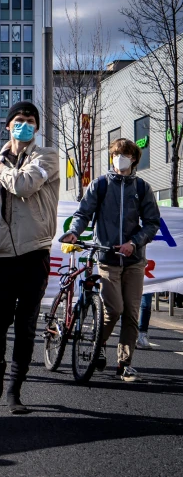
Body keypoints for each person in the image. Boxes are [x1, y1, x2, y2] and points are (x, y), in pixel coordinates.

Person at [0, 101, 60, 414]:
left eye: (30, 120)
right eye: (19, 120)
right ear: (8, 125)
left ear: (37, 127)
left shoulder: (46, 156)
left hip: (35, 253)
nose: (24, 124)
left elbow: (24, 184)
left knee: (25, 326)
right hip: (2, 258)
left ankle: (15, 389)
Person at [62, 137, 160, 382]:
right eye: (116, 154)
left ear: (134, 159)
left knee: (131, 312)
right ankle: (99, 345)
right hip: (107, 258)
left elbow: (152, 223)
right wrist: (74, 231)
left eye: (124, 154)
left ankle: (124, 364)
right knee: (114, 309)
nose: (119, 158)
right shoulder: (100, 184)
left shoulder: (142, 188)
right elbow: (83, 213)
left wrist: (134, 243)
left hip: (134, 260)